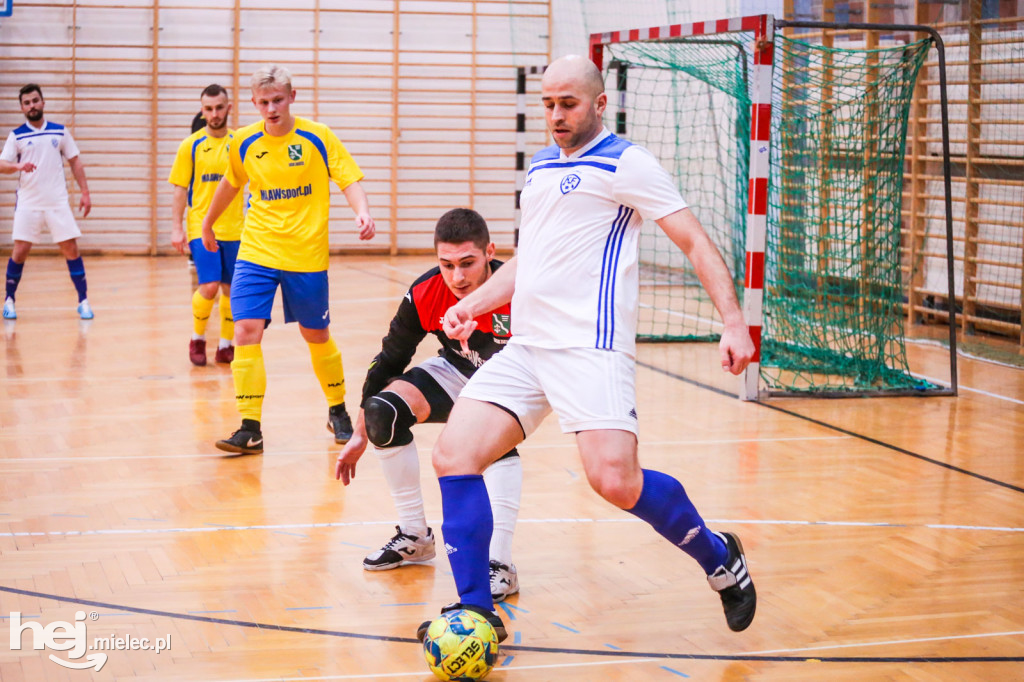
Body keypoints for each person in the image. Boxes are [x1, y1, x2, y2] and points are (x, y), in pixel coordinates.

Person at [416, 55, 758, 643]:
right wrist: (474, 305)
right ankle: (478, 613)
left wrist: (733, 321)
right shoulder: (544, 166)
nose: (555, 115)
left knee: (615, 483)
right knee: (453, 456)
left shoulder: (628, 164)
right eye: (547, 103)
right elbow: (532, 260)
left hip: (589, 350)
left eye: (567, 103)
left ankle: (719, 557)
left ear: (600, 104)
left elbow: (695, 241)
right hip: (528, 349)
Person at [335, 208, 522, 601]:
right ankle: (415, 537)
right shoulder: (426, 292)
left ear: (490, 252)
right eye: (447, 264)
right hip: (456, 371)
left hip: (509, 384)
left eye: (468, 263)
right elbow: (389, 359)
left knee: (492, 442)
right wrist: (360, 431)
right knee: (381, 411)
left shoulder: (519, 291)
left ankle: (500, 563)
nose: (458, 277)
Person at [201, 65, 375, 455]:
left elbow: (347, 178)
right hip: (257, 250)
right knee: (245, 329)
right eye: (263, 102)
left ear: (292, 97)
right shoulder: (243, 141)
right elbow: (231, 182)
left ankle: (337, 410)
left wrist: (361, 211)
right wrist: (208, 224)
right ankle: (250, 427)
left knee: (316, 335)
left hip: (305, 254)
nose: (271, 108)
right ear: (253, 103)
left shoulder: (317, 136)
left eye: (277, 100)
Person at [1, 84, 94, 321]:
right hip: (28, 203)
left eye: (35, 101)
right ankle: (9, 300)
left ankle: (83, 301)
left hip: (57, 202)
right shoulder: (17, 135)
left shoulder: (59, 132)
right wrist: (17, 166)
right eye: (27, 103)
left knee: (71, 249)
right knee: (20, 252)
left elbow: (75, 162)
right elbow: (2, 165)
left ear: (43, 102)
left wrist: (85, 192)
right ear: (22, 107)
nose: (32, 106)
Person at [169, 84, 245, 366]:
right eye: (209, 109)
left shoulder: (240, 142)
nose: (214, 114)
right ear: (202, 110)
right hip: (203, 228)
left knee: (230, 289)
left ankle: (226, 346)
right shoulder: (190, 146)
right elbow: (179, 189)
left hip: (236, 229)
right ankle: (198, 338)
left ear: (229, 107)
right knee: (210, 286)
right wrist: (177, 228)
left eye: (219, 108)